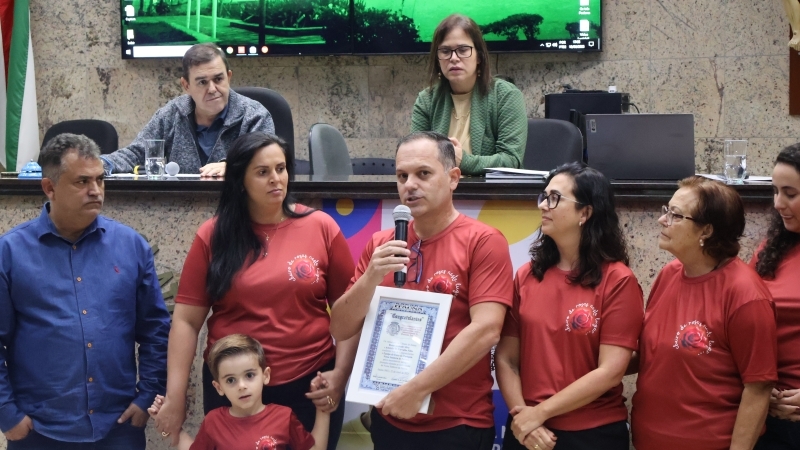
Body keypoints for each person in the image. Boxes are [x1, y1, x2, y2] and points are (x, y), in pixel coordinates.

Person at [154, 132, 357, 450]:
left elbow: (351, 313)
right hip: (235, 388)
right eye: (263, 172)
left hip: (311, 385)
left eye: (281, 168)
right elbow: (186, 322)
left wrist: (340, 374)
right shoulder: (213, 235)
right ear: (240, 181)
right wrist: (175, 397)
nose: (276, 179)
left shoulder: (322, 227)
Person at [329, 131, 514, 450]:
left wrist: (416, 390)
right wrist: (371, 277)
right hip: (390, 417)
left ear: (453, 178)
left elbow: (486, 331)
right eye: (402, 176)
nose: (410, 185)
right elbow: (341, 328)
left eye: (423, 174)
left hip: (457, 423)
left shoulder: (483, 241)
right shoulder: (381, 244)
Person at [0, 133, 171, 448]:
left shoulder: (131, 247)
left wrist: (148, 394)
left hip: (117, 427)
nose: (95, 190)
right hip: (38, 429)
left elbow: (156, 331)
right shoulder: (10, 253)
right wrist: (7, 414)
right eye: (82, 182)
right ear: (49, 187)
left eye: (100, 180)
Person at [496, 163, 643, 450]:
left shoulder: (618, 280)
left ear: (585, 213)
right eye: (544, 196)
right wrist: (524, 418)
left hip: (591, 434)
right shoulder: (527, 275)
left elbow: (610, 371)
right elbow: (506, 359)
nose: (543, 206)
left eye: (554, 198)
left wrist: (540, 413)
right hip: (526, 430)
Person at [631, 176, 777, 450]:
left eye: (675, 215)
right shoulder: (669, 274)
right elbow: (652, 356)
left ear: (706, 231)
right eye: (666, 211)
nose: (662, 220)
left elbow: (759, 388)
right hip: (648, 439)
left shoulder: (745, 294)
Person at [101, 43, 274, 176]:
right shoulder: (172, 114)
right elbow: (135, 154)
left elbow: (268, 163)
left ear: (228, 77)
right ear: (186, 85)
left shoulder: (254, 115)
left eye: (218, 79)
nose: (212, 89)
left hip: (238, 207)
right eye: (202, 82)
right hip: (181, 207)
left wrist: (233, 166)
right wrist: (101, 164)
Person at [149, 334, 330, 450]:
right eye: (231, 380)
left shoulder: (284, 417)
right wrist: (168, 427)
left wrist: (324, 407)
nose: (241, 386)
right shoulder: (214, 421)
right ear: (219, 387)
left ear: (265, 375)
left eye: (249, 375)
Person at [411, 14, 527, 176]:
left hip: (489, 190)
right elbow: (415, 156)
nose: (453, 58)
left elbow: (511, 160)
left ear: (479, 56)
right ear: (437, 59)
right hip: (439, 188)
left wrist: (463, 161)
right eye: (445, 51)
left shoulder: (506, 95)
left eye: (463, 50)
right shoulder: (427, 100)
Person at [751, 144, 800, 449]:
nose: (778, 204)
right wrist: (756, 388)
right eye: (775, 191)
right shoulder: (771, 249)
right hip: (767, 408)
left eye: (790, 194)